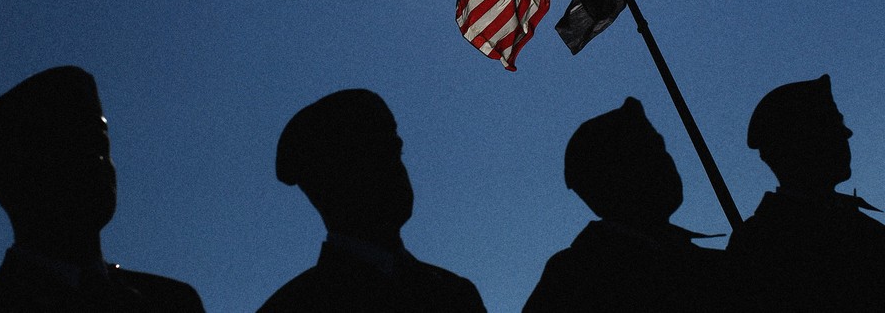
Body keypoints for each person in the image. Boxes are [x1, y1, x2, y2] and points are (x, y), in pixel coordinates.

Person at [0, 66, 204, 312]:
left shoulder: (171, 302)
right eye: (68, 147)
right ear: (13, 179)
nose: (96, 160)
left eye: (99, 143)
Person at [258, 89, 486, 312]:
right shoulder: (296, 305)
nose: (393, 169)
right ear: (326, 184)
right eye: (371, 158)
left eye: (394, 152)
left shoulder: (454, 293)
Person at [524, 97, 727, 312]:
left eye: (660, 148)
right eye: (644, 154)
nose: (664, 162)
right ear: (608, 181)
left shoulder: (706, 264)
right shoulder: (577, 277)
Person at [727, 75, 885, 312]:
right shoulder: (762, 242)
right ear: (801, 142)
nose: (847, 133)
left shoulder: (859, 226)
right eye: (832, 124)